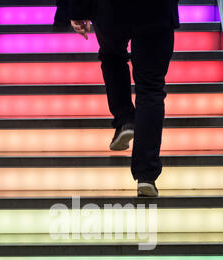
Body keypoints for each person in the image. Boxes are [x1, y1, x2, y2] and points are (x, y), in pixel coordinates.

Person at [71, 0, 180, 197]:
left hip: (110, 9)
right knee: (151, 88)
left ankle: (125, 120)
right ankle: (146, 176)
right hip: (157, 10)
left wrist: (78, 9)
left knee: (112, 55)